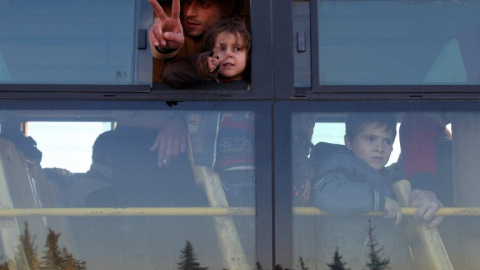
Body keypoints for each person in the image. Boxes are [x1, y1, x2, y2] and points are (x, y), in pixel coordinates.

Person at [312, 113, 443, 269]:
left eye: (387, 141)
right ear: (348, 141)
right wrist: (378, 201)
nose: (380, 148)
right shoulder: (340, 165)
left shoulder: (391, 180)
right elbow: (327, 193)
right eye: (370, 139)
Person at [148, 0, 246, 82]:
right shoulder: (173, 23)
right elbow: (159, 27)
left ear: (223, 13)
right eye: (187, 1)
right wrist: (164, 41)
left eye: (203, 4)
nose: (189, 13)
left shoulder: (237, 35)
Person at [162, 19, 251, 88]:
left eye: (237, 48)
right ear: (210, 51)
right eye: (222, 48)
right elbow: (169, 74)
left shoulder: (256, 85)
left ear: (248, 55)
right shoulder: (200, 82)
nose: (228, 54)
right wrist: (203, 66)